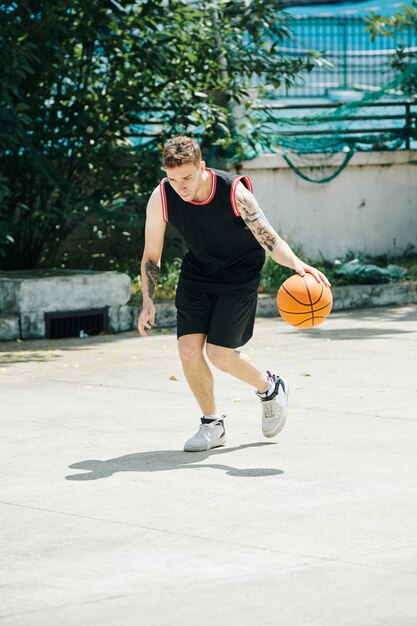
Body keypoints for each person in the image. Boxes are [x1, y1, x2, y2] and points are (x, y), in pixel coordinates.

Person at [138, 136, 330, 452]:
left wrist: (297, 264)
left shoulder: (234, 192)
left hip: (239, 276)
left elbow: (269, 239)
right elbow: (151, 255)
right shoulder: (161, 196)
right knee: (188, 349)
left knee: (219, 354)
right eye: (173, 179)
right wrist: (147, 300)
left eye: (187, 177)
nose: (181, 186)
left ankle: (270, 388)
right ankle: (212, 424)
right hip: (198, 274)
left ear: (202, 167)